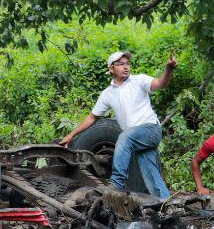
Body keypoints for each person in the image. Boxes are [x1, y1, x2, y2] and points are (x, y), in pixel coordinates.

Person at [60, 50, 177, 198]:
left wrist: (168, 69)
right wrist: (71, 135)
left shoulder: (139, 80)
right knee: (151, 175)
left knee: (124, 137)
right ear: (111, 68)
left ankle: (116, 183)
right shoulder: (108, 94)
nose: (126, 67)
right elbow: (92, 117)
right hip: (136, 139)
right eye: (121, 64)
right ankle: (166, 203)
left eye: (127, 63)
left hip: (150, 129)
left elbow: (160, 83)